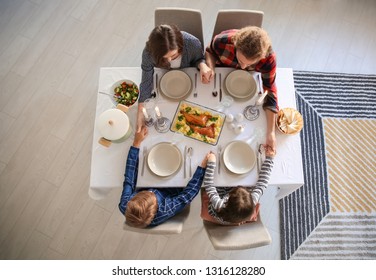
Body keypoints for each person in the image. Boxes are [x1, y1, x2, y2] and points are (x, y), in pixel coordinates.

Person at [119, 125, 211, 228]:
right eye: (152, 195)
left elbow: (129, 179)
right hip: (173, 189)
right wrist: (202, 167)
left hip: (150, 179)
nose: (151, 191)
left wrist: (136, 143)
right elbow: (187, 195)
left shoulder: (126, 205)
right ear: (156, 207)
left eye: (146, 193)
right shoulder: (165, 209)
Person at [205, 26, 277, 153]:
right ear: (235, 46)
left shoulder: (269, 58)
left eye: (249, 64)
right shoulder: (221, 41)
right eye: (240, 60)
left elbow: (270, 91)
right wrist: (210, 68)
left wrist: (271, 133)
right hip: (220, 79)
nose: (243, 67)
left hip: (247, 89)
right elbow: (209, 52)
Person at [137, 24, 213, 131]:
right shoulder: (148, 52)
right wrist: (140, 112)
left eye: (173, 56)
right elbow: (146, 80)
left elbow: (199, 59)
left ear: (181, 46)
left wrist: (202, 65)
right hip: (166, 85)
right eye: (164, 57)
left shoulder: (192, 43)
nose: (169, 61)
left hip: (190, 82)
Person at [201, 146, 275, 225]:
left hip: (221, 213)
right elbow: (262, 183)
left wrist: (211, 163)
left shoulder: (220, 205)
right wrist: (269, 159)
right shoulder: (252, 201)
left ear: (227, 199)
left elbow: (209, 185)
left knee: (215, 191)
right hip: (238, 217)